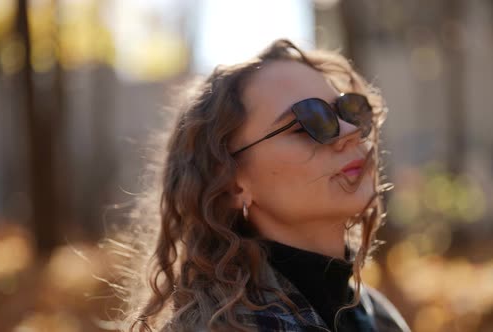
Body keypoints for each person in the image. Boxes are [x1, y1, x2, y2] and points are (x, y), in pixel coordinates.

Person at [115, 39, 411, 332]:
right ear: (232, 184)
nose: (350, 131)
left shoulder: (376, 316)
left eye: (348, 109)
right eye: (306, 123)